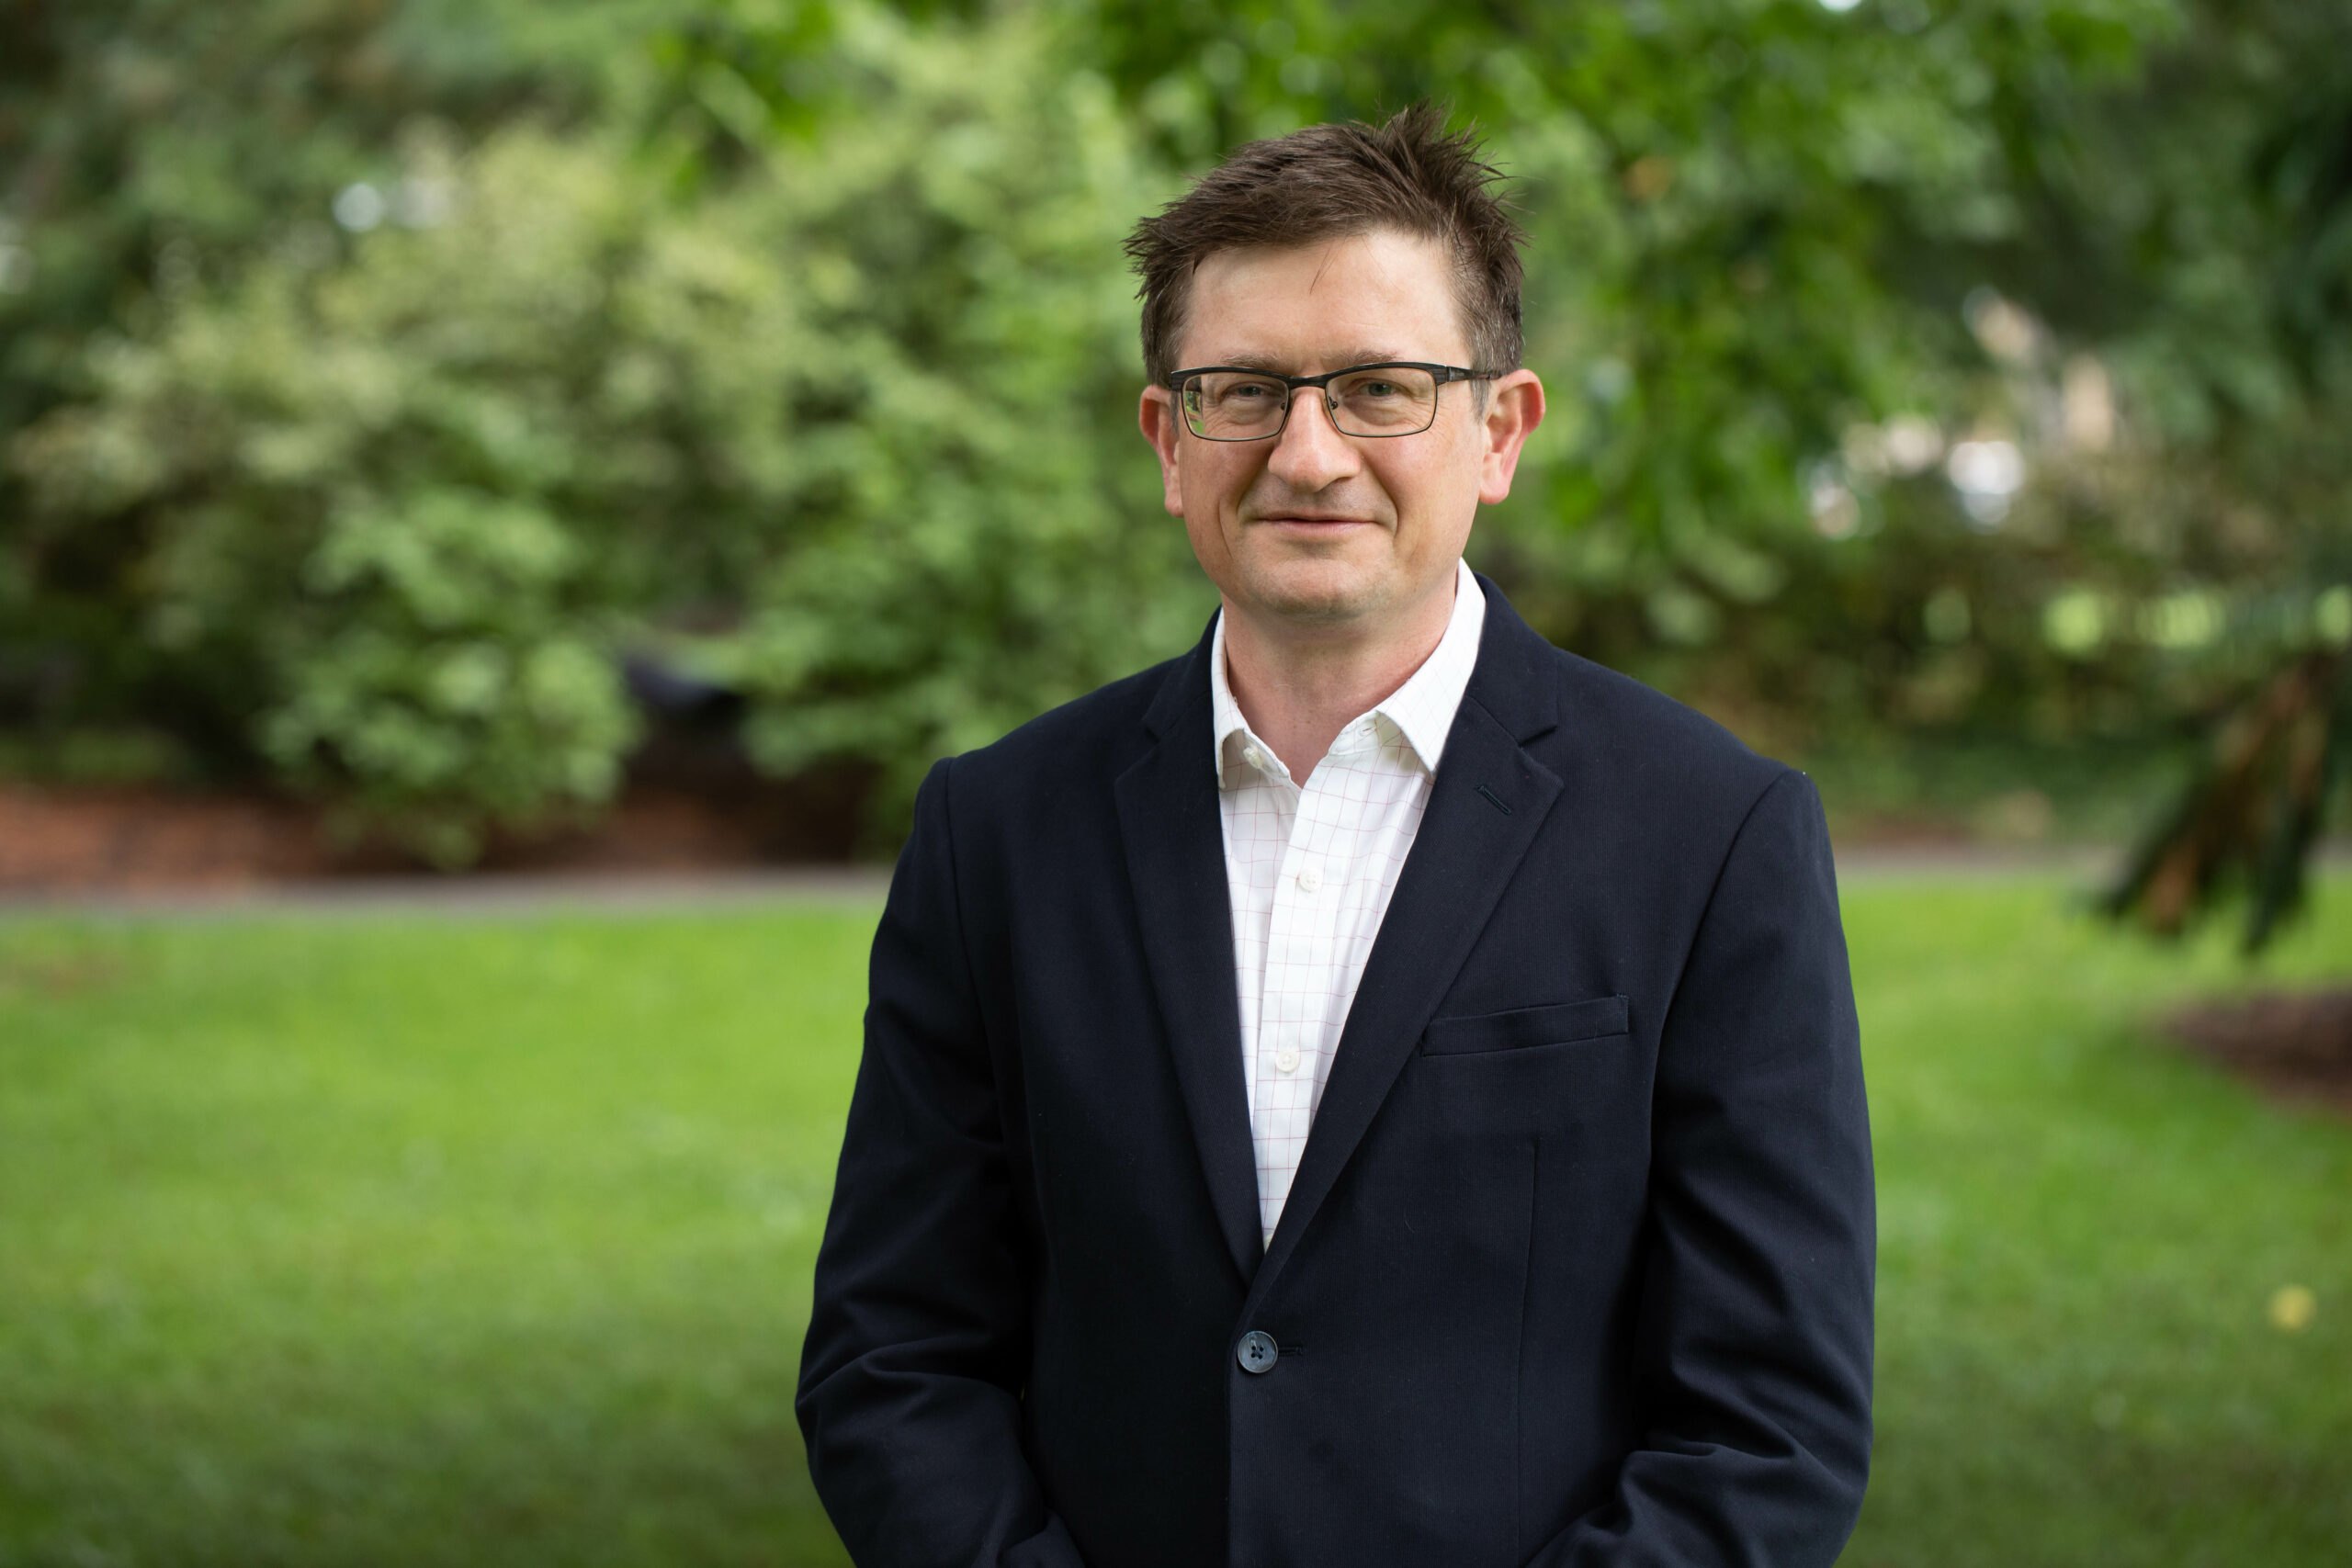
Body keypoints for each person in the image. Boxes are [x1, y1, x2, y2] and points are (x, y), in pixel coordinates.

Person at [797, 104, 1874, 1568]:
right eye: (1243, 391)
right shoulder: (995, 833)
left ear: (1498, 431)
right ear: (1169, 440)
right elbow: (895, 1357)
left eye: (1379, 389)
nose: (1308, 455)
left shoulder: (1712, 835)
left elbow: (1768, 1426)